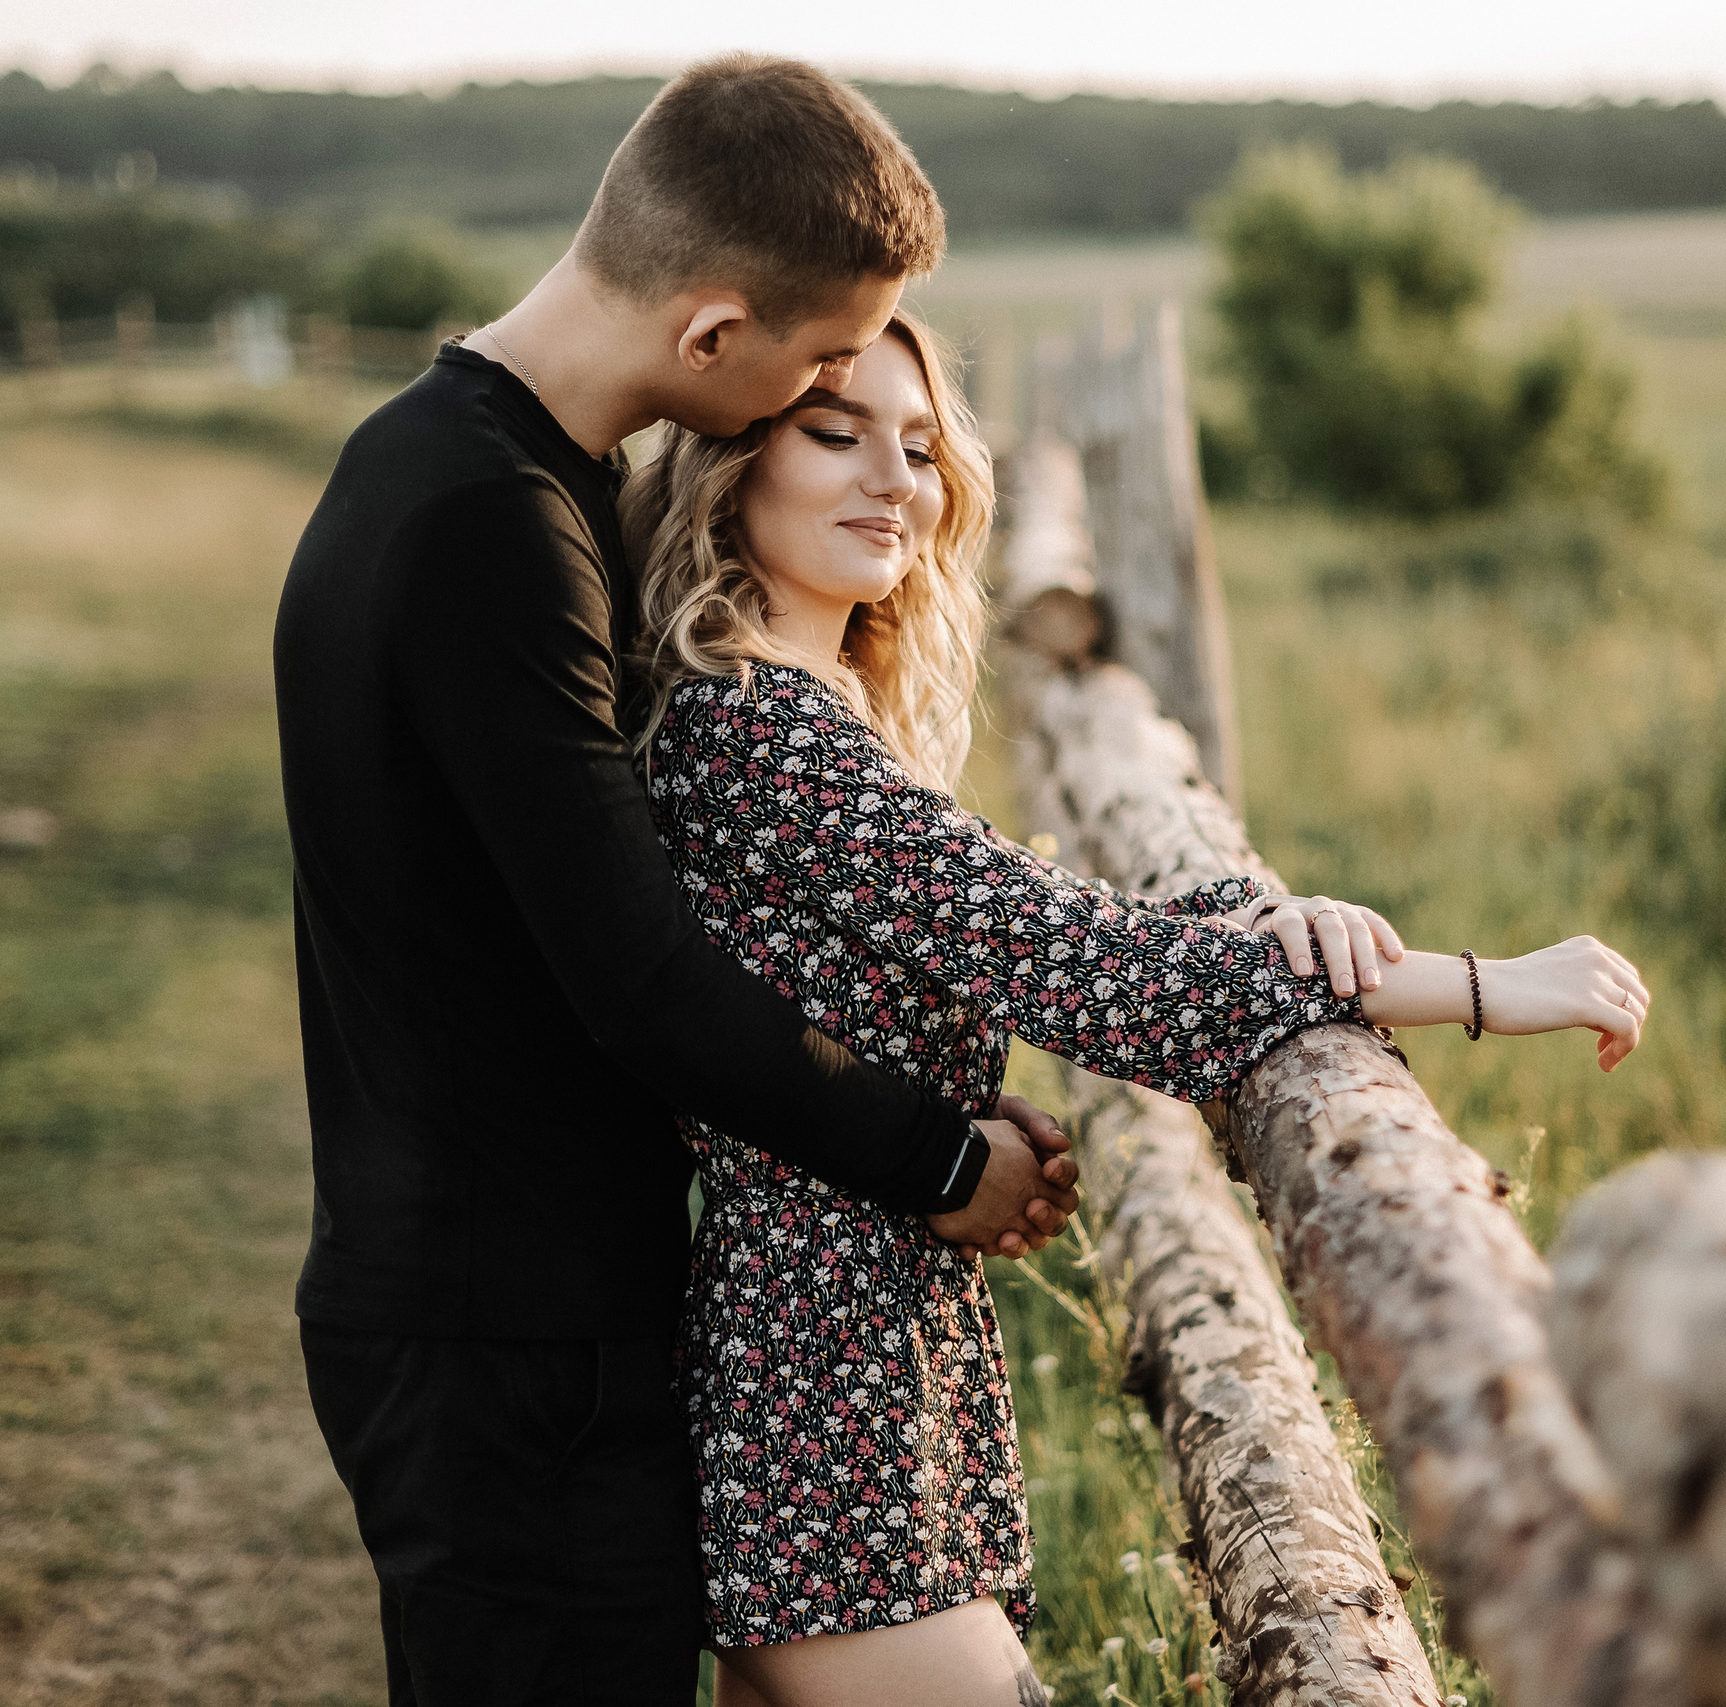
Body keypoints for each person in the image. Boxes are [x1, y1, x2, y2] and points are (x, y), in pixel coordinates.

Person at [624, 309, 1651, 1707]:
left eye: (920, 446)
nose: (893, 480)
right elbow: (1086, 971)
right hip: (825, 1406)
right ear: (730, 459)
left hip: (860, 1366)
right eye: (833, 431)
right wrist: (1480, 986)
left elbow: (1038, 929)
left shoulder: (806, 707)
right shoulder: (760, 731)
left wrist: (1254, 917)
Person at [273, 56, 1099, 1707]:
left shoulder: (489, 473)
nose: (839, 390)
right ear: (715, 335)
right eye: (815, 365)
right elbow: (637, 974)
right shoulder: (486, 526)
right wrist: (938, 1154)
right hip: (504, 1339)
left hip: (533, 1317)